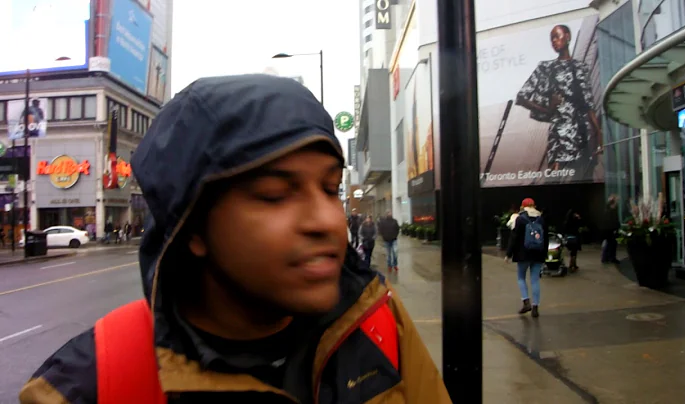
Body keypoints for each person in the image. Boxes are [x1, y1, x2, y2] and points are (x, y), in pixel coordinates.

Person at [19, 75, 450, 404]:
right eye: (274, 195)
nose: (326, 221)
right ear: (194, 228)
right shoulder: (87, 387)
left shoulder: (377, 322)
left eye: (329, 188)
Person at [516, 24, 603, 179]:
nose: (554, 41)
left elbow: (589, 103)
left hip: (582, 136)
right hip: (559, 138)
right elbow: (521, 97)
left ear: (568, 37)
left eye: (557, 36)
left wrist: (598, 132)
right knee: (558, 182)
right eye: (552, 39)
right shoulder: (546, 67)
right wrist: (548, 109)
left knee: (583, 182)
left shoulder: (580, 67)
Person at [505, 198, 548, 318]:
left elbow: (514, 237)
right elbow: (546, 239)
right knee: (535, 279)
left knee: (521, 278)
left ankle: (526, 302)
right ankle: (535, 307)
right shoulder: (541, 219)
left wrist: (508, 254)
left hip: (523, 254)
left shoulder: (520, 219)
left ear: (523, 207)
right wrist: (544, 254)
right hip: (538, 254)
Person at [601, 195, 621, 264]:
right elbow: (613, 220)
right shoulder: (610, 210)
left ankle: (607, 258)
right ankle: (610, 258)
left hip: (609, 229)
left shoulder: (608, 209)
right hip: (611, 229)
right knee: (611, 243)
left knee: (609, 243)